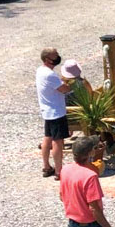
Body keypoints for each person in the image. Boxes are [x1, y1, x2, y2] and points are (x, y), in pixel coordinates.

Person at [37, 47, 72, 180]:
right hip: (56, 112)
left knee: (47, 138)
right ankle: (59, 171)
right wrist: (69, 85)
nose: (57, 57)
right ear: (47, 59)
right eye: (55, 55)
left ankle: (46, 166)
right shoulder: (50, 75)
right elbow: (64, 89)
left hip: (47, 110)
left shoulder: (40, 71)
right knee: (58, 142)